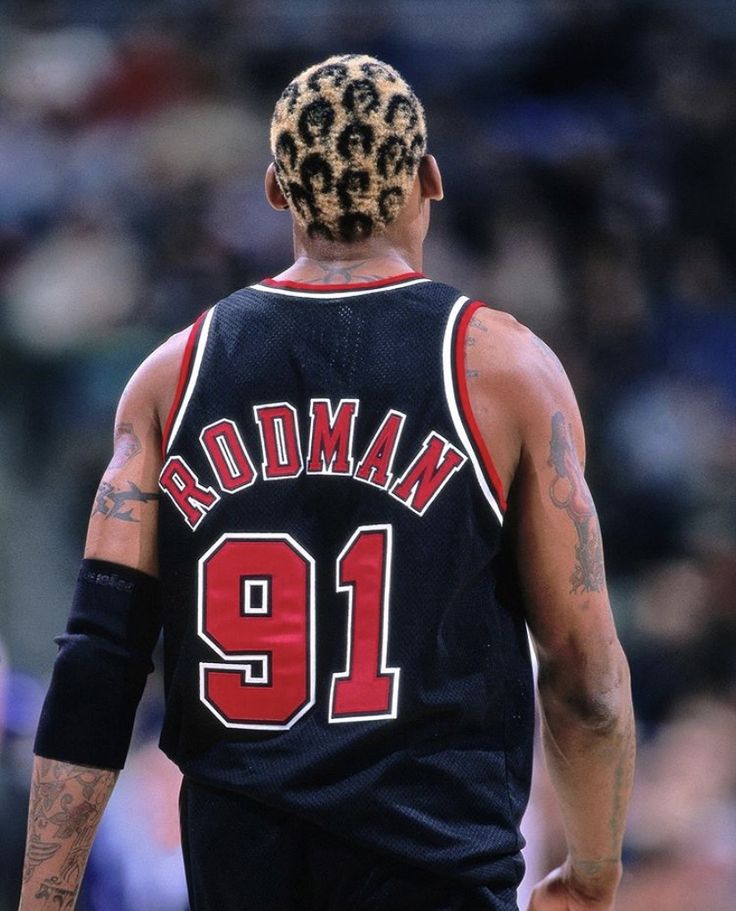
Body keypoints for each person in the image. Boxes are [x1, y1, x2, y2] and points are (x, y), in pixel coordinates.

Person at [19, 54, 635, 911]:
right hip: (437, 878)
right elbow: (584, 676)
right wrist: (595, 869)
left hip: (244, 880)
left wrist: (44, 901)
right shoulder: (503, 370)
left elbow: (96, 670)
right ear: (430, 180)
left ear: (276, 189)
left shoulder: (171, 378)